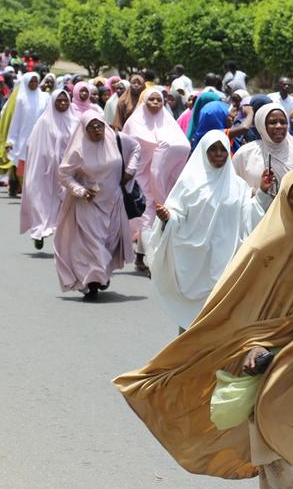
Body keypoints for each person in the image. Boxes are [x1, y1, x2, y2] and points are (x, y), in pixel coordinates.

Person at [114, 167, 293, 489]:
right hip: (267, 363)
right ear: (285, 200)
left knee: (285, 448)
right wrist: (251, 347)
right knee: (274, 444)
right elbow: (235, 312)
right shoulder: (263, 248)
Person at [148, 131, 273, 332]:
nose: (218, 154)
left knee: (219, 320)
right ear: (204, 152)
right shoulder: (189, 183)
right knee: (190, 322)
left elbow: (249, 217)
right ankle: (186, 359)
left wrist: (262, 193)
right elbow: (177, 215)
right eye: (213, 150)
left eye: (222, 150)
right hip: (194, 262)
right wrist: (168, 218)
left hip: (225, 261)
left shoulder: (238, 186)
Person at [54, 111, 140, 301]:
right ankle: (92, 282)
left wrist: (129, 171)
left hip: (113, 203)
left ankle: (101, 275)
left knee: (107, 244)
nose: (96, 130)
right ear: (84, 129)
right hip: (88, 204)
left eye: (99, 125)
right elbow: (64, 174)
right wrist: (81, 191)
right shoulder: (78, 149)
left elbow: (136, 148)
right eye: (91, 127)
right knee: (93, 246)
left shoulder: (116, 139)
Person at [122, 87, 191, 273]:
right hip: (139, 179)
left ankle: (139, 257)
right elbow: (125, 150)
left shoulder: (168, 124)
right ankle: (153, 262)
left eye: (158, 100)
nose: (155, 103)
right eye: (151, 100)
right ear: (144, 102)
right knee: (145, 217)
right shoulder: (133, 123)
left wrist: (164, 157)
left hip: (161, 179)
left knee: (155, 218)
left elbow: (183, 146)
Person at [20, 89, 79, 250]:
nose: (62, 104)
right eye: (58, 101)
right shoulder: (44, 122)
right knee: (41, 200)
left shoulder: (75, 122)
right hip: (44, 170)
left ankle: (59, 234)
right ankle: (39, 231)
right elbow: (32, 146)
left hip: (67, 171)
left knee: (63, 203)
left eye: (65, 101)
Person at [233, 103, 293, 193]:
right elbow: (235, 189)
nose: (279, 126)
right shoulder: (245, 154)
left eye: (283, 122)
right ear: (262, 125)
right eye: (272, 122)